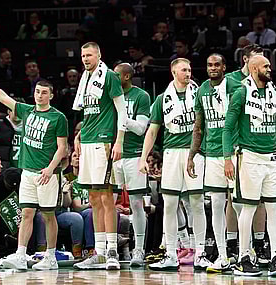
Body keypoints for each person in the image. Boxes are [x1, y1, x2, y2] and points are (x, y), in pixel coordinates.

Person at [0, 63, 69, 271]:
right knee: (27, 213)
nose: (39, 95)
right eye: (37, 92)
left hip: (47, 174)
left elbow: (62, 149)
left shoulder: (58, 117)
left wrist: (50, 169)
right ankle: (21, 255)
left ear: (51, 95)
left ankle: (50, 256)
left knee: (48, 215)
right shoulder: (27, 111)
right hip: (28, 173)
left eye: (44, 92)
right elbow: (3, 97)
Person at [222, 55, 276, 276]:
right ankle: (244, 257)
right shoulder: (241, 93)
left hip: (273, 159)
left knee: (274, 208)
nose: (269, 68)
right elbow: (228, 128)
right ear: (254, 68)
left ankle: (275, 257)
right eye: (265, 66)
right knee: (249, 207)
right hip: (250, 157)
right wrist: (228, 158)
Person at [139, 58, 209, 271]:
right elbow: (152, 130)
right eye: (183, 70)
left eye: (189, 69)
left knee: (196, 203)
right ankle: (170, 253)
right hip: (171, 154)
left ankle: (200, 252)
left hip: (194, 154)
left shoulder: (200, 94)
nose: (188, 73)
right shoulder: (162, 99)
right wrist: (143, 157)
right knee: (169, 204)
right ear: (173, 72)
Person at [72, 42, 127, 270]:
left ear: (99, 54)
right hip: (88, 141)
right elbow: (88, 112)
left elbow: (122, 109)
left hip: (104, 142)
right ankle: (100, 252)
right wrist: (78, 137)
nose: (85, 59)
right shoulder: (85, 78)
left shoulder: (110, 76)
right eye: (83, 55)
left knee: (106, 198)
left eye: (89, 55)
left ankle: (112, 251)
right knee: (93, 198)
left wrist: (119, 141)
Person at [188, 53, 237, 273]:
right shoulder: (201, 91)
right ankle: (223, 256)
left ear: (224, 67)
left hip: (235, 152)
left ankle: (246, 253)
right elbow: (198, 127)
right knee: (217, 205)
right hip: (212, 153)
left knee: (239, 204)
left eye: (217, 64)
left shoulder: (234, 87)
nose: (213, 67)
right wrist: (192, 155)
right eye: (209, 65)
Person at [112, 63, 150, 267]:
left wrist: (121, 117)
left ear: (126, 77)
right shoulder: (108, 94)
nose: (112, 78)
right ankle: (107, 249)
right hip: (113, 154)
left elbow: (141, 129)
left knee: (136, 203)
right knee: (109, 201)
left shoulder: (141, 96)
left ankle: (139, 249)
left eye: (116, 75)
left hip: (135, 154)